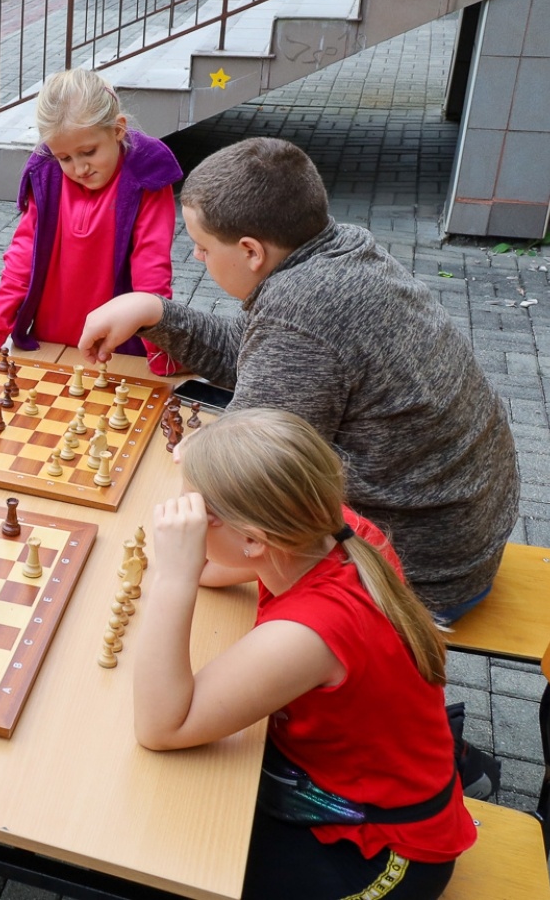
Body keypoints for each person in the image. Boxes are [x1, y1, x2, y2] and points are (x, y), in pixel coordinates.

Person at [79, 137, 517, 621]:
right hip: (462, 527)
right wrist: (154, 312)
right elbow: (256, 355)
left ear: (250, 251)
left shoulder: (303, 310)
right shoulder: (335, 250)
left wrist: (203, 560)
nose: (197, 258)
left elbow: (242, 484)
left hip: (419, 568)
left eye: (202, 248)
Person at [139, 409, 475, 900]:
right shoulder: (332, 531)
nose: (185, 516)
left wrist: (172, 578)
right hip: (328, 784)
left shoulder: (305, 635)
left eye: (197, 510)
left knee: (181, 858)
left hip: (378, 852)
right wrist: (214, 467)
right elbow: (215, 569)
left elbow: (160, 726)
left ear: (255, 537)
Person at [0, 67, 183, 374]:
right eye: (64, 157)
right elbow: (22, 259)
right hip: (47, 344)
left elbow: (151, 272)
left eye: (88, 151)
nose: (79, 167)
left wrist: (161, 352)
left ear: (117, 130)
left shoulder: (147, 177)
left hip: (118, 350)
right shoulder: (46, 175)